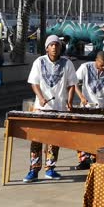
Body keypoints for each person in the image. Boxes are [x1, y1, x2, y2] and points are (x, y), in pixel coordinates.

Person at [23, 35, 78, 183]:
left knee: (55, 140)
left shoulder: (67, 64)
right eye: (51, 45)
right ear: (47, 47)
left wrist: (70, 101)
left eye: (57, 45)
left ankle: (50, 169)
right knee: (36, 138)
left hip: (59, 108)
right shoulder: (39, 62)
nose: (54, 47)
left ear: (60, 47)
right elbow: (34, 82)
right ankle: (33, 170)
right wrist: (40, 97)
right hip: (41, 108)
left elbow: (72, 84)